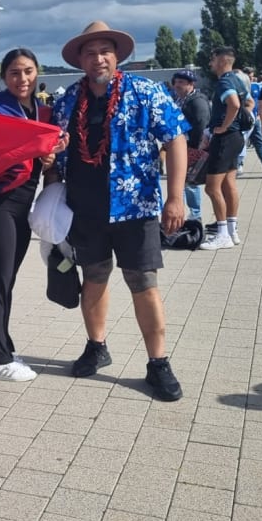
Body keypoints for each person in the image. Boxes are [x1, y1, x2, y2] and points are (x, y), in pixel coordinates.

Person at [49, 21, 187, 402]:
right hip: (84, 209)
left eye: (105, 51)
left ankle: (158, 362)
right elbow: (53, 154)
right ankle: (97, 345)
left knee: (143, 282)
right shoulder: (66, 101)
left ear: (117, 55)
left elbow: (176, 138)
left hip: (135, 207)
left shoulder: (145, 91)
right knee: (93, 277)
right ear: (80, 59)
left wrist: (175, 197)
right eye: (90, 52)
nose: (98, 58)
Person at [0, 49, 61, 381]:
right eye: (14, 73)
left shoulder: (38, 109)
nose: (21, 79)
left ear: (36, 72)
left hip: (24, 205)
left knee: (5, 280)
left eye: (27, 71)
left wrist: (48, 158)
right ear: (3, 76)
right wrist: (34, 150)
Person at [198, 47, 247, 250]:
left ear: (220, 60)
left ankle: (222, 234)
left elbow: (234, 105)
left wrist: (223, 126)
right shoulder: (238, 79)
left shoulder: (225, 81)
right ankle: (231, 230)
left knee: (212, 187)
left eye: (212, 59)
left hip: (226, 138)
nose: (210, 63)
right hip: (236, 138)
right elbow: (248, 103)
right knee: (228, 185)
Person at [170, 70, 210, 222]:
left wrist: (196, 146)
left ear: (191, 84)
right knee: (185, 181)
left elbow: (202, 123)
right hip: (181, 146)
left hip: (193, 146)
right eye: (176, 82)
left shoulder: (197, 101)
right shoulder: (181, 100)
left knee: (190, 181)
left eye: (182, 82)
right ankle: (191, 212)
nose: (177, 85)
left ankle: (195, 214)